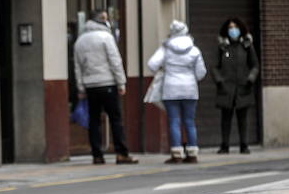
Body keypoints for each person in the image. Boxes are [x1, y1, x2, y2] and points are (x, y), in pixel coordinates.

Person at [72, 11, 135, 164]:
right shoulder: (106, 37)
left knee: (94, 120)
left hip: (90, 86)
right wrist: (121, 82)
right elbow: (115, 61)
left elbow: (77, 67)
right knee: (115, 119)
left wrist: (81, 87)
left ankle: (97, 155)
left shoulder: (80, 41)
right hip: (107, 83)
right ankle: (121, 153)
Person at [148, 20, 207, 164]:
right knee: (189, 121)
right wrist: (191, 77)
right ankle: (192, 154)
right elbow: (201, 73)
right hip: (190, 90)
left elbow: (152, 64)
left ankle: (176, 154)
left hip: (171, 89)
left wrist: (165, 69)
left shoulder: (166, 48)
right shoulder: (194, 50)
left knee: (174, 121)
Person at [213, 17, 259, 154]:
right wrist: (219, 81)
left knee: (242, 119)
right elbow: (214, 66)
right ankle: (224, 145)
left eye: (235, 27)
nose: (233, 30)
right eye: (230, 28)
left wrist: (251, 79)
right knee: (225, 119)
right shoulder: (223, 47)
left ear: (240, 29)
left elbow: (255, 65)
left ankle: (244, 145)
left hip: (243, 87)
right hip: (226, 89)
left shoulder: (247, 46)